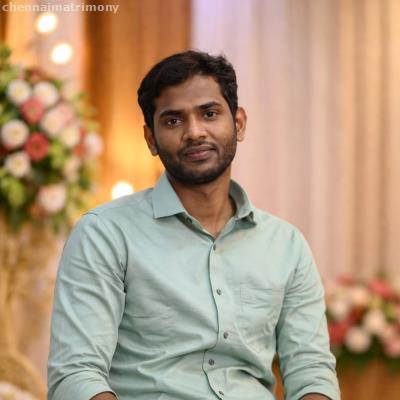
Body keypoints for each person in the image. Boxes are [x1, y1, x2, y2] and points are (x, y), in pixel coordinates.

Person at [47, 50, 340, 400]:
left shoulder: (286, 245)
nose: (194, 132)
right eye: (173, 121)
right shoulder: (105, 234)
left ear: (239, 123)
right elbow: (76, 374)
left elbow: (311, 371)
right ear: (151, 139)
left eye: (209, 114)